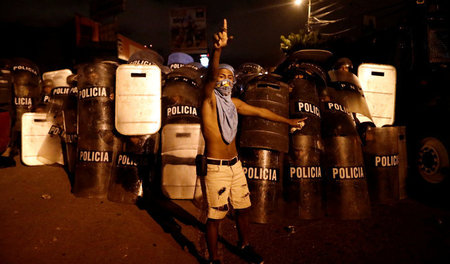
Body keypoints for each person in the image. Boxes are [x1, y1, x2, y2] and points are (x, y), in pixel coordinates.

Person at [201, 19, 306, 264]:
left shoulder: (233, 104)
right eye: (221, 76)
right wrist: (218, 51)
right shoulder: (209, 101)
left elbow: (260, 112)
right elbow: (208, 79)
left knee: (243, 208)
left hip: (235, 166)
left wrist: (287, 121)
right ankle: (214, 258)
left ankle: (245, 245)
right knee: (215, 217)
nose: (225, 79)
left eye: (229, 76)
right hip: (216, 167)